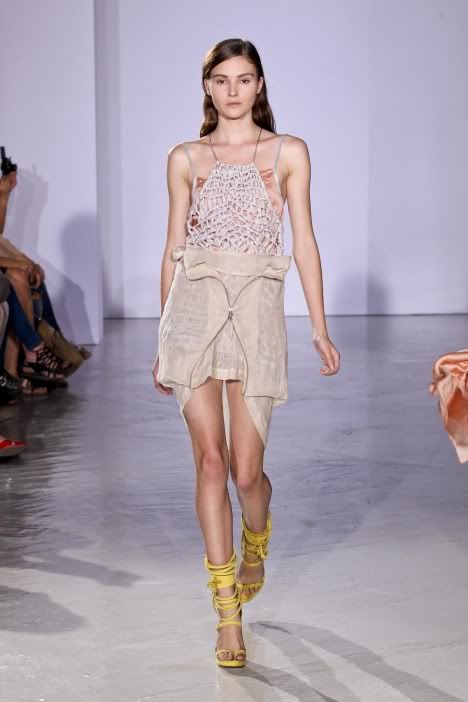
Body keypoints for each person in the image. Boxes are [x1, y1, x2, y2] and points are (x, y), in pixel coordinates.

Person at [152, 38, 341, 668]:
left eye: (245, 79)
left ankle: (256, 536)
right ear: (207, 87)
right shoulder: (185, 157)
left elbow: (304, 240)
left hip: (257, 313)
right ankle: (227, 615)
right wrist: (161, 337)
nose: (233, 90)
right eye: (222, 80)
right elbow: (173, 248)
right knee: (209, 462)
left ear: (260, 85)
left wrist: (318, 327)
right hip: (193, 313)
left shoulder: (288, 152)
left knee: (245, 472)